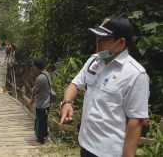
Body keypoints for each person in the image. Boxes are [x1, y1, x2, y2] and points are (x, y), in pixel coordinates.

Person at [60, 16, 149, 157]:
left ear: (120, 43)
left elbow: (136, 120)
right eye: (97, 37)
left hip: (109, 152)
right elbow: (75, 84)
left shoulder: (135, 74)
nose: (97, 42)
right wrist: (67, 102)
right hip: (85, 144)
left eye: (103, 38)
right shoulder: (94, 61)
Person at [29, 59, 51, 144]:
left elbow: (34, 91)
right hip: (47, 102)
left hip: (41, 104)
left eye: (34, 66)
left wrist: (32, 90)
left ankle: (40, 139)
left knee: (39, 122)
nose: (33, 68)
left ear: (36, 66)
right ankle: (44, 138)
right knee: (43, 122)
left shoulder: (40, 78)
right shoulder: (47, 74)